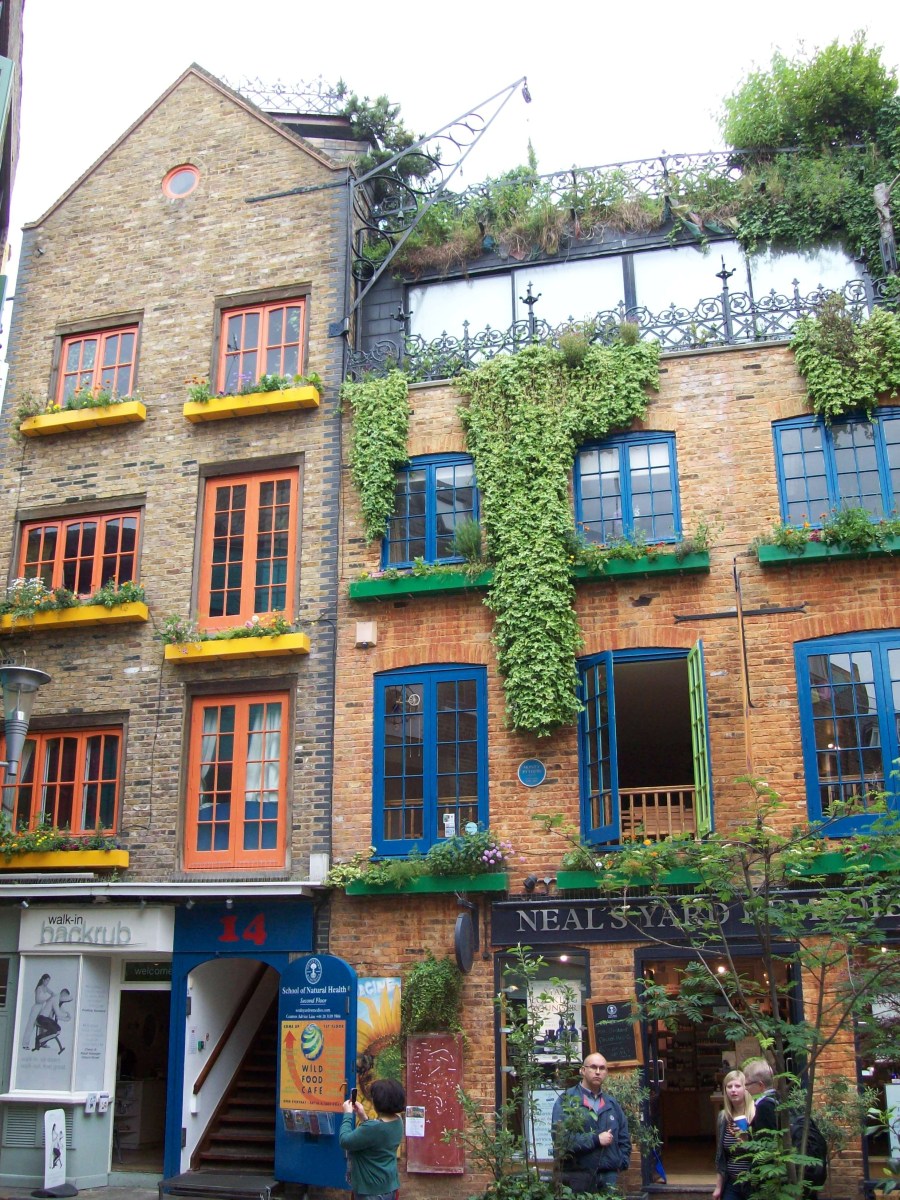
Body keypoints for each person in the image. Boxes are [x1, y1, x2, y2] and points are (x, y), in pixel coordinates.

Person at [551, 1053, 631, 1196]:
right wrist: (595, 1139)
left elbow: (624, 1138)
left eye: (602, 1068)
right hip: (577, 1175)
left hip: (608, 1175)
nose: (598, 1072)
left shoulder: (612, 1104)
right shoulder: (567, 1100)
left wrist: (621, 1162)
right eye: (593, 1067)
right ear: (583, 1070)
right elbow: (561, 1139)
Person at [339, 1078, 405, 1200]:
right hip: (389, 1187)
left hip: (371, 1191)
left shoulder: (373, 1128)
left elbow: (345, 1141)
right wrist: (363, 1117)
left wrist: (347, 1114)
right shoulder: (398, 1121)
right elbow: (376, 1137)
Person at [713, 1069, 756, 1200]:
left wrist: (747, 1141)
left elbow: (764, 1151)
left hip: (753, 1183)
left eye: (737, 1086)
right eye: (729, 1086)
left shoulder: (755, 1114)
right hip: (732, 1182)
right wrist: (718, 1187)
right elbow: (721, 1155)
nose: (733, 1090)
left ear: (745, 1088)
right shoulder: (723, 1118)